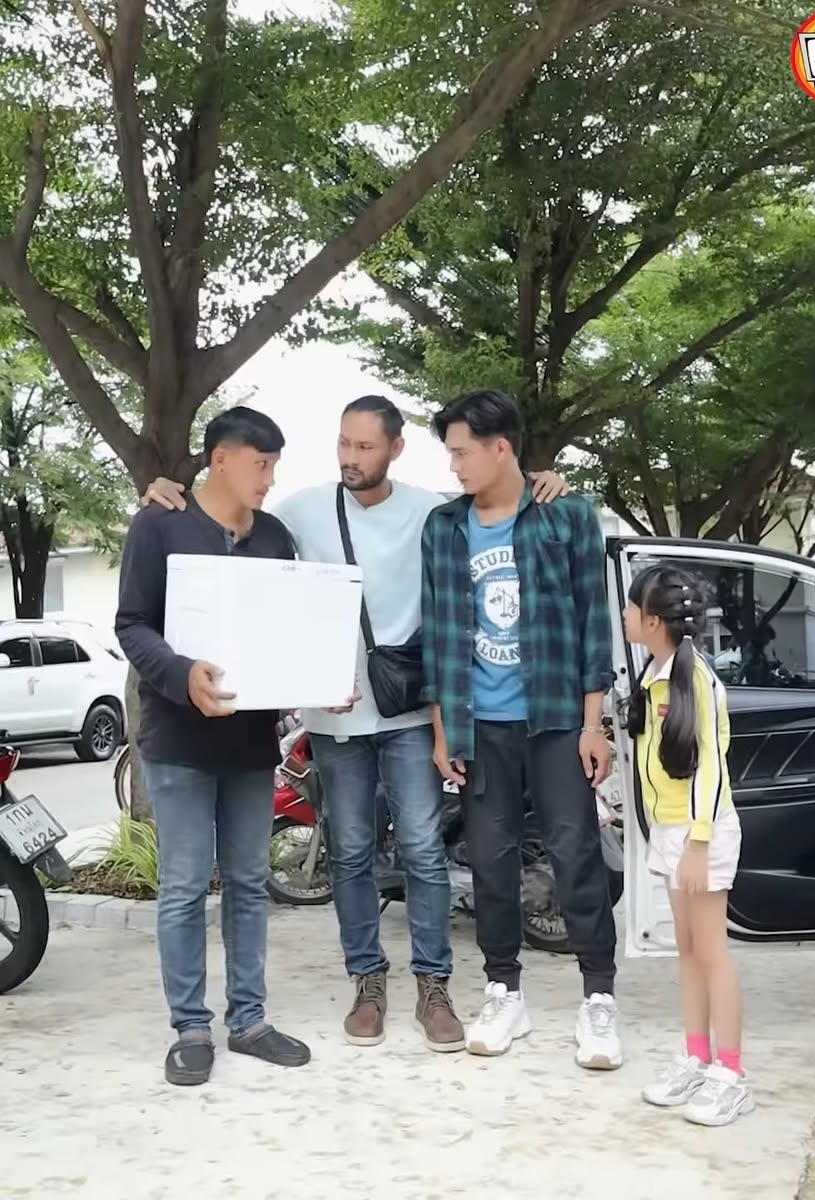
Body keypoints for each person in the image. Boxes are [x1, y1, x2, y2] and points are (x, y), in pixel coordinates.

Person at [140, 394, 568, 1053]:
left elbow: (494, 499)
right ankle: (366, 981)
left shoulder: (429, 510)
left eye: (364, 447)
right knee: (349, 854)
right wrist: (163, 488)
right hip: (329, 721)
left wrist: (542, 480)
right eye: (343, 443)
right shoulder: (295, 513)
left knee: (422, 848)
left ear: (396, 449)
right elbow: (231, 531)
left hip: (406, 714)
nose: (350, 457)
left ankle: (432, 984)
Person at [421, 389, 622, 1066]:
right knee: (490, 859)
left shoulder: (565, 516)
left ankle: (599, 998)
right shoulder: (445, 528)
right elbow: (439, 636)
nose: (454, 466)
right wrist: (444, 730)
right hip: (481, 725)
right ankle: (503, 990)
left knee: (576, 852)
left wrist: (593, 724)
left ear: (500, 447)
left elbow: (594, 623)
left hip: (557, 718)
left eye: (462, 452)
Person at [115, 406, 310, 1086]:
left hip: (251, 744)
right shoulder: (159, 526)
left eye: (274, 466)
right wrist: (181, 674)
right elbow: (132, 625)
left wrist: (316, 679)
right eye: (260, 464)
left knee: (251, 884)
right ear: (220, 460)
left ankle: (249, 1020)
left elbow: (287, 630)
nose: (268, 478)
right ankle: (190, 1028)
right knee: (184, 887)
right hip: (178, 741)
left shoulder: (275, 538)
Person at [623, 564, 752, 1127]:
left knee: (712, 952)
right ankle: (697, 1058)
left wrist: (699, 841)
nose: (624, 615)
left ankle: (731, 1074)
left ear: (653, 621)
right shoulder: (655, 674)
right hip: (673, 832)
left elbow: (711, 769)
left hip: (703, 833)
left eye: (631, 608)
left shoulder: (696, 679)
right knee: (688, 950)